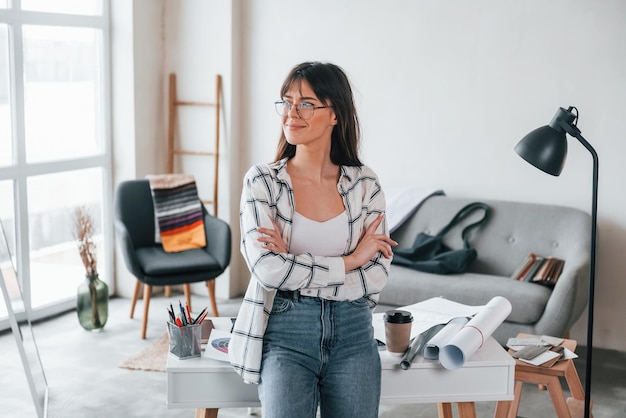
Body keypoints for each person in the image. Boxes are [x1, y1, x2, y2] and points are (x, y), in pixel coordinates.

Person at [229, 61, 396, 418]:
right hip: (286, 331)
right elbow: (268, 270)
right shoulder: (262, 182)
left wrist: (293, 260)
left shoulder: (366, 183)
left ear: (335, 113)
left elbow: (378, 273)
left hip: (353, 332)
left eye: (305, 103)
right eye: (286, 102)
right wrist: (350, 261)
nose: (291, 113)